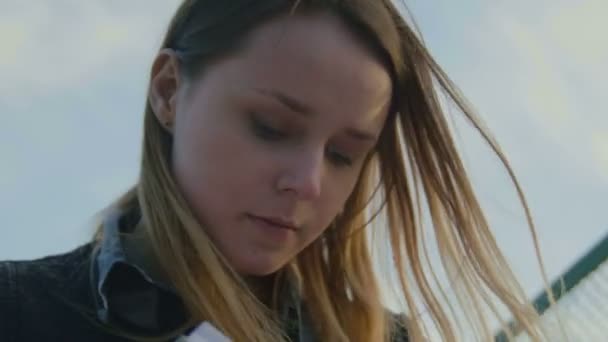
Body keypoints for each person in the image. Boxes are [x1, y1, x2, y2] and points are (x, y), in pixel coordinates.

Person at [0, 0, 553, 341]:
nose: (309, 183)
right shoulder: (18, 312)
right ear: (168, 90)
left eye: (344, 155)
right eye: (270, 127)